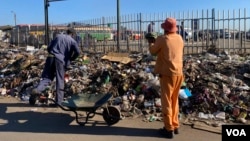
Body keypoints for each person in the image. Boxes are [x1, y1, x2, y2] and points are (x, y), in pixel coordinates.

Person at [147, 17, 184, 139]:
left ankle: (168, 129)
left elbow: (153, 52)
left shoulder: (162, 39)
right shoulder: (179, 38)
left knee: (166, 101)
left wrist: (151, 41)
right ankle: (175, 125)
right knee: (175, 100)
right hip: (179, 73)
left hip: (167, 74)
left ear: (165, 29)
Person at [32, 28, 80, 106]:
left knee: (47, 77)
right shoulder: (72, 41)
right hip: (60, 61)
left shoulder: (58, 36)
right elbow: (78, 52)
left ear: (67, 32)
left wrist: (53, 53)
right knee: (60, 80)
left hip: (50, 57)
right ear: (73, 34)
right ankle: (58, 103)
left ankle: (38, 89)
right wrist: (71, 58)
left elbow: (49, 48)